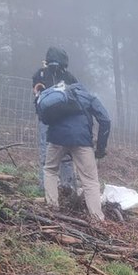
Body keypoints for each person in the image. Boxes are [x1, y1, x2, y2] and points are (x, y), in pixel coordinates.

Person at [37, 76, 111, 222]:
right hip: (81, 140)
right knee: (90, 180)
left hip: (56, 138)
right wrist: (100, 148)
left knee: (50, 169)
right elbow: (105, 120)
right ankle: (97, 218)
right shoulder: (88, 97)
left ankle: (52, 209)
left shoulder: (59, 96)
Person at [31, 47, 78, 191]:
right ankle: (63, 187)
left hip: (51, 119)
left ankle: (57, 186)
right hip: (60, 120)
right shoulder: (65, 76)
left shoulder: (41, 74)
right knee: (59, 152)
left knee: (52, 152)